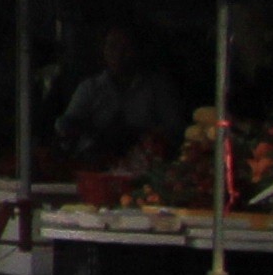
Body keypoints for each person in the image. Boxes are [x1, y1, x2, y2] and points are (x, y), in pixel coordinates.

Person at [53, 22, 196, 172]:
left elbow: (176, 130)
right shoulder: (90, 88)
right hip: (96, 169)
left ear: (138, 50)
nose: (119, 54)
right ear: (103, 50)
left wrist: (145, 137)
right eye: (112, 46)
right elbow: (65, 126)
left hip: (148, 170)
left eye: (126, 48)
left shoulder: (157, 88)